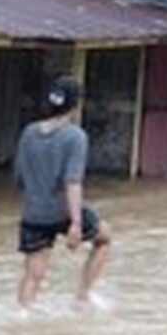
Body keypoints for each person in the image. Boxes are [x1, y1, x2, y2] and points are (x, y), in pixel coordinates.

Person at [14, 75, 112, 308]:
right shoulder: (75, 137)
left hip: (33, 212)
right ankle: (83, 296)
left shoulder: (29, 132)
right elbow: (72, 182)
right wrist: (76, 223)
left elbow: (18, 177)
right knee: (105, 237)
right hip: (63, 212)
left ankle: (22, 315)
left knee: (32, 274)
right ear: (77, 104)